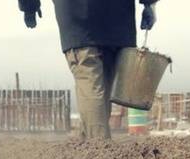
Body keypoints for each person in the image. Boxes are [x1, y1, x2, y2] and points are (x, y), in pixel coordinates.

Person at [18, 0, 158, 140]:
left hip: (80, 21)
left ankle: (100, 150)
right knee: (103, 92)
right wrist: (148, 5)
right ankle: (88, 148)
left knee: (91, 85)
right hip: (118, 18)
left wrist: (29, 7)